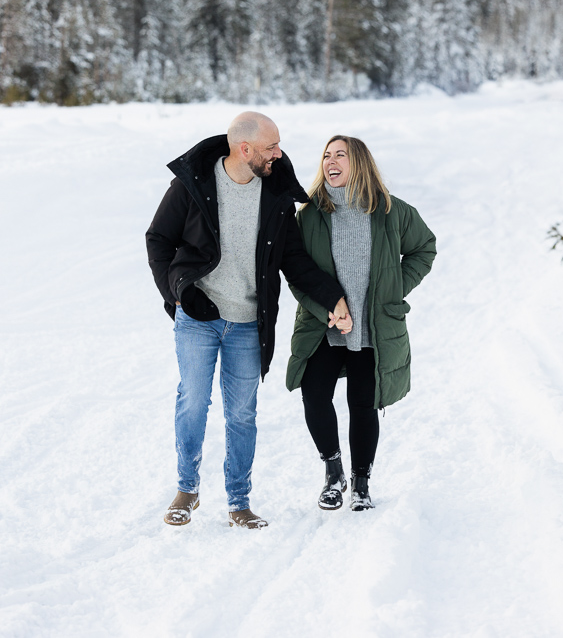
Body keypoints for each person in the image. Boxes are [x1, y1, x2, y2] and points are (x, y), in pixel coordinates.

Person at [146, 113, 352, 529]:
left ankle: (239, 501)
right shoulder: (193, 184)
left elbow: (294, 261)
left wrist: (332, 296)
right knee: (193, 402)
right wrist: (179, 294)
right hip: (198, 318)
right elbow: (158, 240)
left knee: (241, 414)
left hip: (247, 324)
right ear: (245, 149)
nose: (279, 153)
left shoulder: (274, 194)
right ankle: (187, 490)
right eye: (270, 147)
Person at [286, 135, 436, 512]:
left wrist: (394, 288)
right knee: (314, 394)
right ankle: (333, 471)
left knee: (363, 404)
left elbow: (424, 247)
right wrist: (327, 311)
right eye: (326, 155)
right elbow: (297, 273)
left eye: (341, 155)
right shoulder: (309, 215)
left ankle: (361, 483)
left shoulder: (390, 210)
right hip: (324, 326)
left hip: (372, 328)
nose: (330, 161)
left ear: (360, 164)